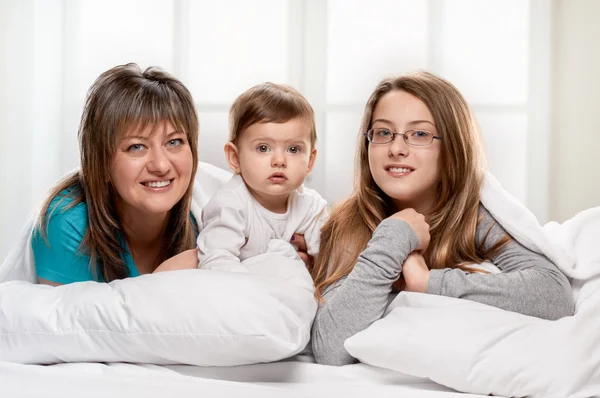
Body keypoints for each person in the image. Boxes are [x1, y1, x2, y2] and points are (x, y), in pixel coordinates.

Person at [309, 71, 575, 366]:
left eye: (420, 134)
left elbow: (554, 295)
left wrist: (426, 283)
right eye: (383, 132)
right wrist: (394, 238)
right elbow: (330, 349)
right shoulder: (347, 223)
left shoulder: (476, 215)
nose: (397, 148)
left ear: (451, 149)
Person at [194, 83, 327, 272]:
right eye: (263, 148)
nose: (279, 160)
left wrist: (318, 264)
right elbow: (217, 261)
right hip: (242, 292)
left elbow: (333, 259)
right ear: (235, 157)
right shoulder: (231, 203)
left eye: (293, 149)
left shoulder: (310, 206)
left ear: (310, 161)